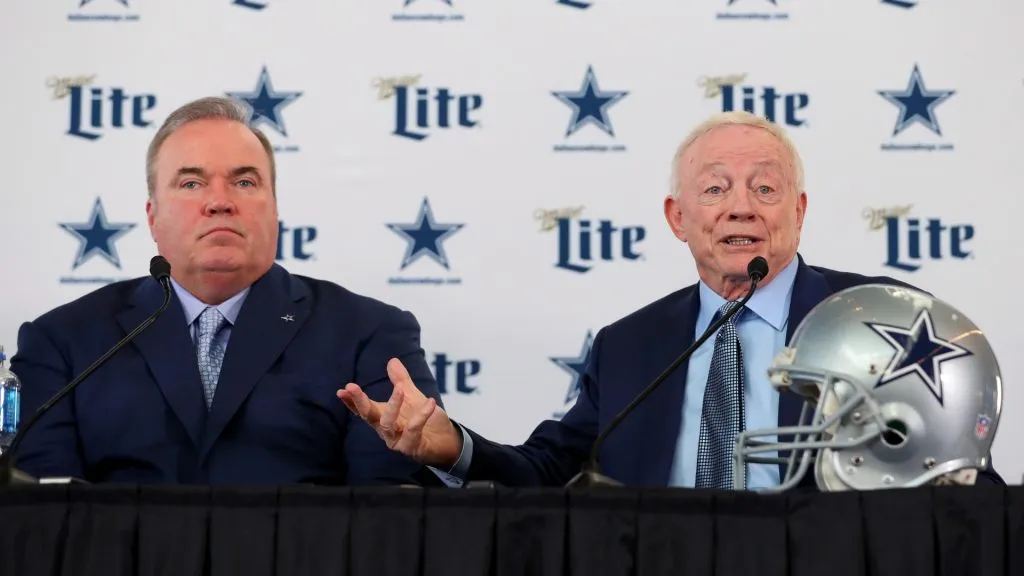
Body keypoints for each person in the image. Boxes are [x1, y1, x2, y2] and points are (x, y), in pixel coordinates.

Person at [337, 110, 1005, 490]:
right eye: (714, 190)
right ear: (676, 217)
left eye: (765, 189)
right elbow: (547, 471)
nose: (740, 205)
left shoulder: (883, 320)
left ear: (798, 212)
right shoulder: (632, 344)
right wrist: (450, 445)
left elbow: (959, 478)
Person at [10, 96, 444, 485]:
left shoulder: (370, 334)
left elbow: (391, 517)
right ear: (152, 217)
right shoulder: (63, 341)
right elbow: (43, 521)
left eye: (244, 182)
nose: (219, 202)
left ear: (275, 209)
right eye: (191, 183)